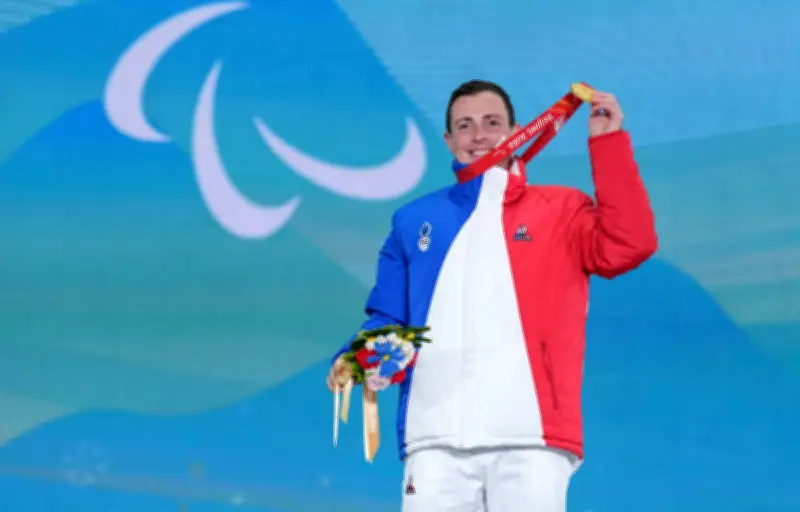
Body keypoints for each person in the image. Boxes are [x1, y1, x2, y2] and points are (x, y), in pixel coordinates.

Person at [326, 79, 657, 511]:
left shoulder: (562, 210)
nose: (479, 135)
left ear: (516, 131)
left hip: (531, 435)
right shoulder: (413, 220)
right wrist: (360, 358)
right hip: (434, 438)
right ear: (448, 140)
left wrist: (607, 144)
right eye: (465, 126)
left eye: (492, 123)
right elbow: (388, 317)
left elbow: (629, 244)